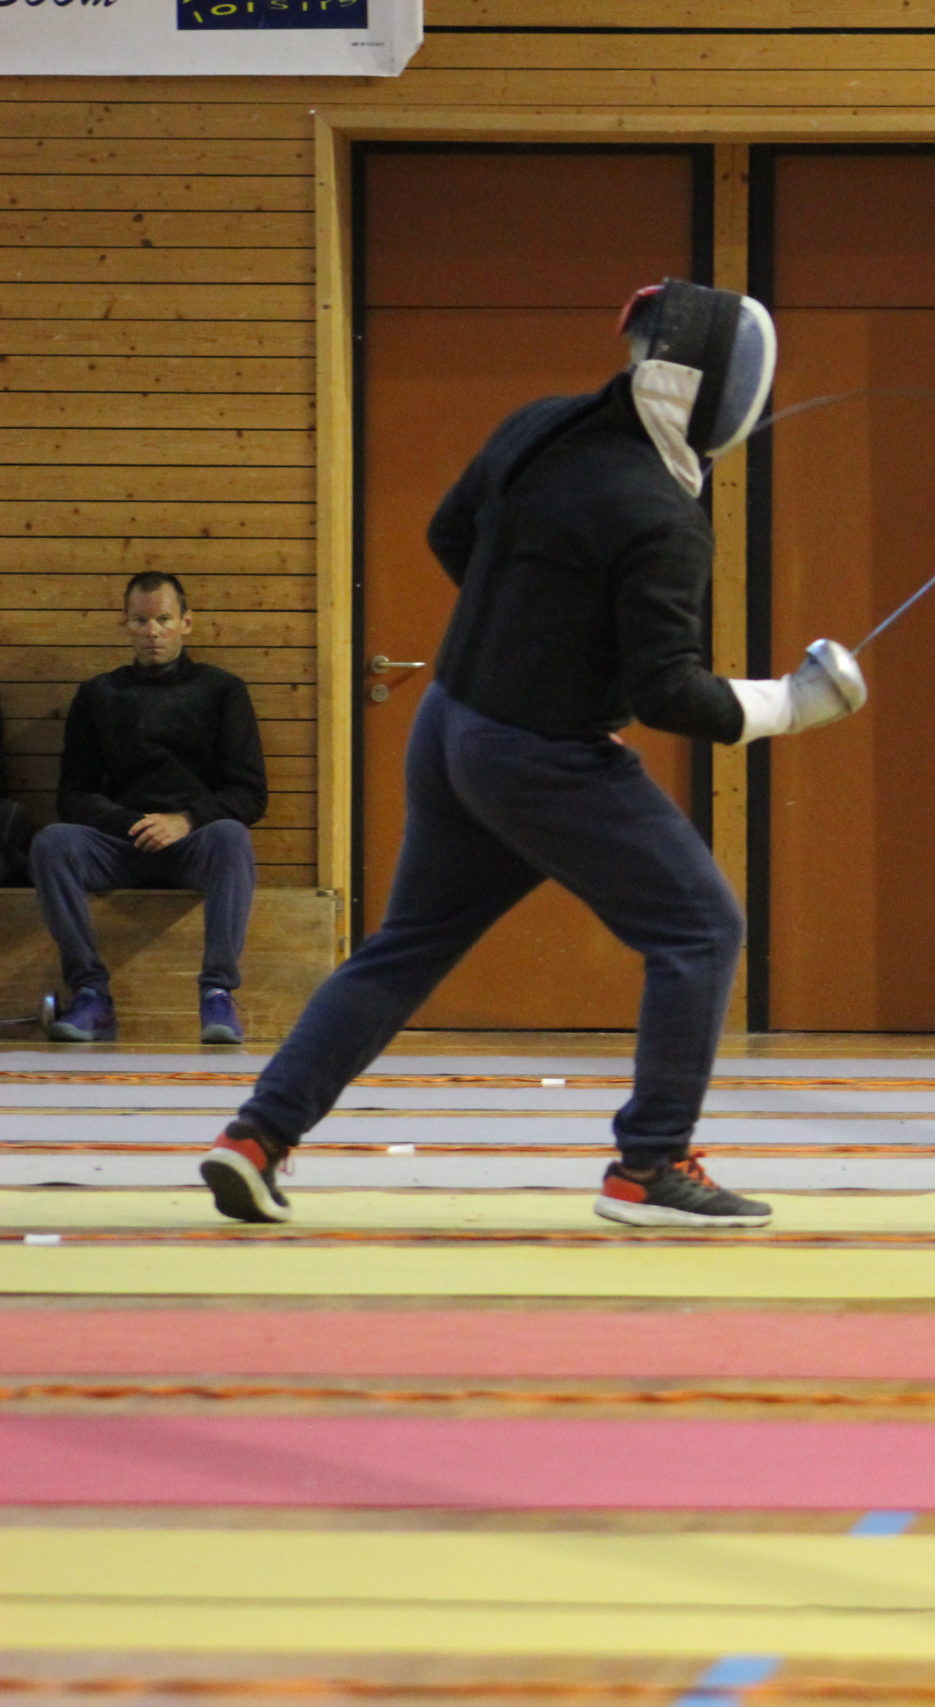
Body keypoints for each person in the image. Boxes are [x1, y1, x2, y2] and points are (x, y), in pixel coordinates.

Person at [198, 279, 867, 1230]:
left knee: (402, 949)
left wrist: (525, 638)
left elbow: (448, 532)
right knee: (702, 930)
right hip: (541, 757)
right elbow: (664, 692)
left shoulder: (539, 424)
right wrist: (792, 705)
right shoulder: (663, 518)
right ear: (717, 391)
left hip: (450, 725)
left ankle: (255, 1137)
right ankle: (649, 1166)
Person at [33, 572, 266, 1046]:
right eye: (141, 620)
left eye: (163, 619)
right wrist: (131, 823)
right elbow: (73, 795)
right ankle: (91, 995)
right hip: (121, 841)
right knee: (52, 843)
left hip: (193, 843)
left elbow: (249, 793)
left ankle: (218, 994)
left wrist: (184, 820)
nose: (153, 631)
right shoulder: (98, 695)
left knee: (232, 836)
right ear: (125, 625)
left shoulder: (222, 690)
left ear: (186, 623)